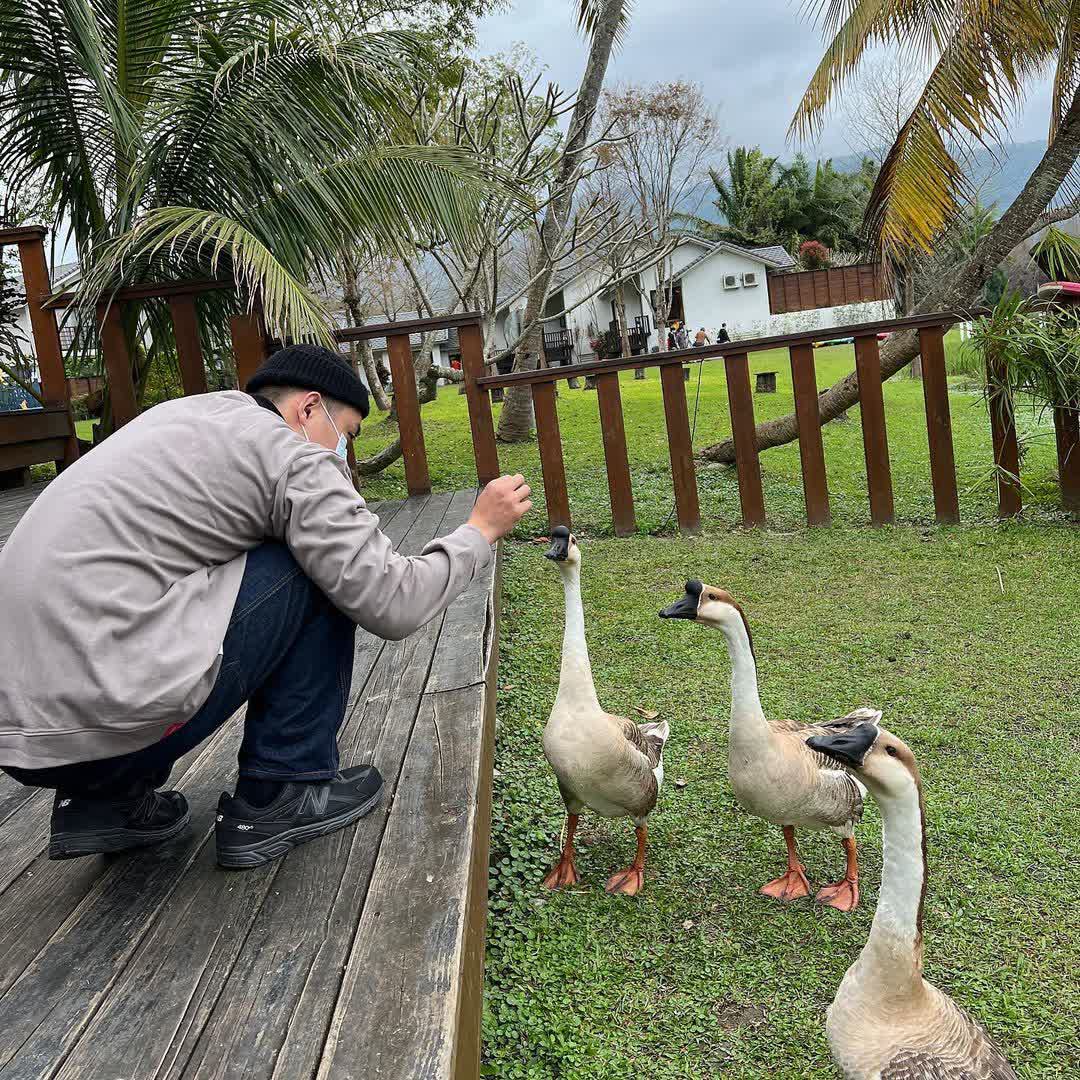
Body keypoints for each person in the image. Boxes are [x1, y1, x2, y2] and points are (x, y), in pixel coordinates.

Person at [0, 344, 532, 868]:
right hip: (111, 717)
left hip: (22, 740)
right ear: (307, 408)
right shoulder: (290, 455)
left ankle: (102, 804)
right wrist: (479, 531)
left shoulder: (184, 416)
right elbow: (391, 600)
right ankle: (282, 789)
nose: (341, 457)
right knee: (313, 566)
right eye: (344, 435)